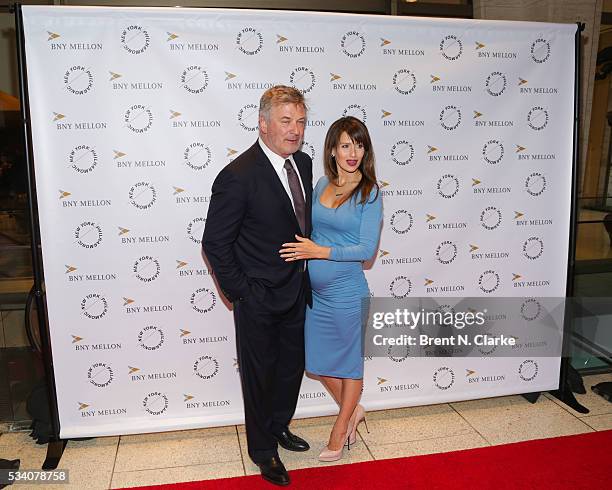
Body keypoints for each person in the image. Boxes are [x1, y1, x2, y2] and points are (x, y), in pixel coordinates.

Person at [202, 86, 312, 487]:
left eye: (300, 121)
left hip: (299, 291)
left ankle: (279, 426)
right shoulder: (237, 175)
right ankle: (263, 451)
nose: (295, 130)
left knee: (290, 369)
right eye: (286, 121)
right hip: (259, 298)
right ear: (263, 124)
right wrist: (243, 292)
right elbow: (215, 242)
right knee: (260, 374)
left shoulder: (303, 162)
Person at [279, 117, 382, 462]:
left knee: (350, 365)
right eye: (345, 145)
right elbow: (314, 229)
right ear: (333, 150)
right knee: (317, 363)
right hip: (317, 294)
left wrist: (319, 252)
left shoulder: (370, 193)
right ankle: (353, 410)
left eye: (359, 145)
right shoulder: (323, 182)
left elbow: (365, 250)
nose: (353, 152)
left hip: (348, 293)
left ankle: (340, 429)